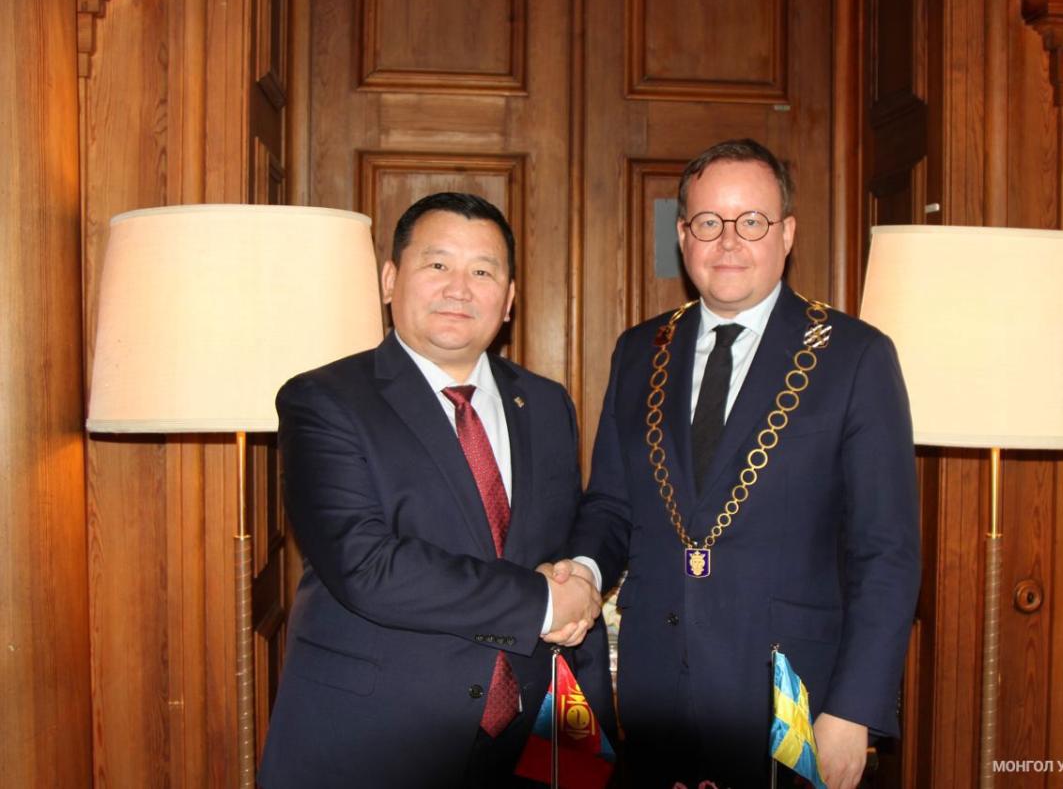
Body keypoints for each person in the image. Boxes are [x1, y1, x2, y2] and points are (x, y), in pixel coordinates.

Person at [553, 139, 920, 788]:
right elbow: (610, 503)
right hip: (655, 689)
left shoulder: (852, 356)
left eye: (751, 221)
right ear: (683, 235)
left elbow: (885, 551)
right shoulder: (640, 350)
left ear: (787, 234)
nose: (728, 242)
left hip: (791, 696)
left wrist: (854, 709)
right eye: (708, 222)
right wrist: (581, 572)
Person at [259, 192, 609, 788]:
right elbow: (365, 565)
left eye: (483, 272)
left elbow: (561, 538)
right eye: (438, 264)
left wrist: (579, 582)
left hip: (529, 739)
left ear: (509, 299)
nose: (459, 289)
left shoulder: (547, 403)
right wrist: (544, 603)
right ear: (390, 279)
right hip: (376, 740)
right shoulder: (324, 400)